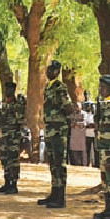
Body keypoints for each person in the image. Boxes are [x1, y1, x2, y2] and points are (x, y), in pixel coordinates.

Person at [37, 60, 73, 208]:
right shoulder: (48, 87)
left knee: (60, 163)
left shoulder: (60, 87)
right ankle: (54, 193)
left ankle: (61, 197)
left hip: (59, 130)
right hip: (50, 129)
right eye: (48, 69)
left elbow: (69, 108)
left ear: (57, 71)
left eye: (52, 69)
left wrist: (58, 116)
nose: (48, 71)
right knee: (52, 163)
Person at [0, 82, 24, 195]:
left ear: (13, 90)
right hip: (4, 135)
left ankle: (14, 184)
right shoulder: (3, 104)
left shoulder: (18, 104)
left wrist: (12, 117)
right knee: (5, 159)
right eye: (6, 89)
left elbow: (20, 121)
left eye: (9, 89)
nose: (7, 91)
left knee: (13, 160)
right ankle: (7, 183)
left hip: (13, 136)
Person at [94, 75, 110, 219]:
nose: (101, 90)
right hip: (103, 148)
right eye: (99, 88)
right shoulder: (102, 103)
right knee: (105, 179)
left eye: (103, 88)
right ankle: (107, 209)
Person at [83, 102, 96, 166]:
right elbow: (84, 125)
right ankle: (87, 163)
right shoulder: (84, 114)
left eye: (89, 106)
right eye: (87, 106)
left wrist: (91, 125)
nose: (88, 107)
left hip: (94, 135)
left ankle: (96, 164)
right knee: (87, 150)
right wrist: (89, 125)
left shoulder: (94, 115)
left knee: (95, 150)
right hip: (87, 135)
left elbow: (95, 124)